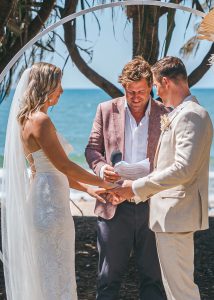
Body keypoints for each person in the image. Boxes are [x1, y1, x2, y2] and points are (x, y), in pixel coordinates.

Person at [1, 62, 111, 300]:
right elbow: (64, 166)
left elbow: (49, 170)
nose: (61, 90)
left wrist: (89, 189)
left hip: (44, 197)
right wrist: (105, 183)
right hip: (50, 207)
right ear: (46, 86)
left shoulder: (26, 119)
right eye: (58, 84)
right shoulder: (40, 120)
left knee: (48, 271)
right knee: (56, 272)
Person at [105, 56, 213, 300]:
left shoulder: (190, 115)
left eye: (155, 84)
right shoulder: (182, 113)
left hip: (176, 214)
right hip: (171, 216)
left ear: (165, 82)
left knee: (181, 290)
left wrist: (136, 187)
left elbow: (183, 168)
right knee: (175, 289)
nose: (155, 92)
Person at [85, 56, 168, 300]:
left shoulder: (166, 113)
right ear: (123, 87)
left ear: (151, 86)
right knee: (108, 279)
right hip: (113, 204)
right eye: (130, 91)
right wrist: (101, 169)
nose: (135, 96)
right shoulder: (106, 109)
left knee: (153, 280)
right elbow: (92, 149)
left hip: (153, 205)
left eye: (141, 91)